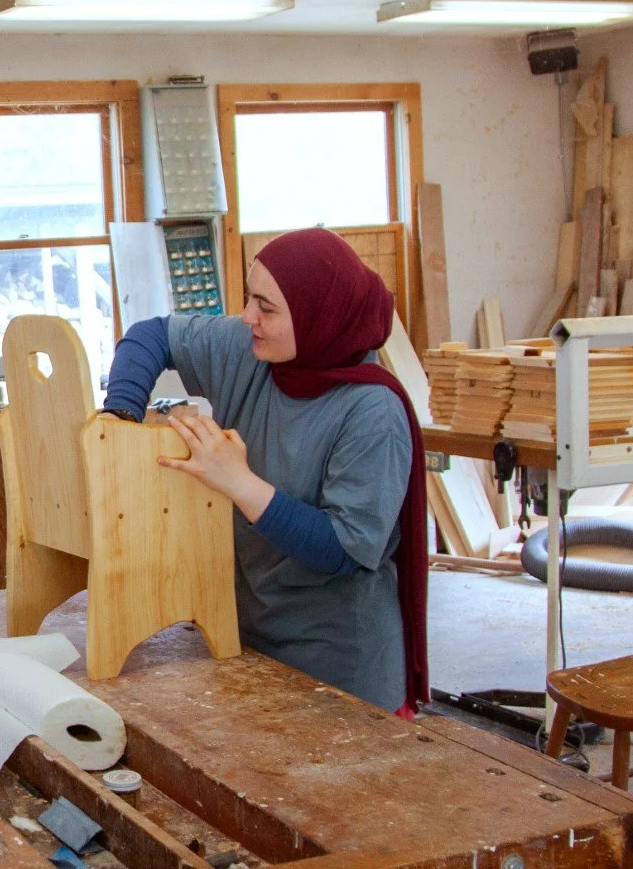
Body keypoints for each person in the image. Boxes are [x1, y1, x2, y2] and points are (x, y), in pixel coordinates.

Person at [103, 227, 427, 714]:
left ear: (320, 316)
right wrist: (120, 416)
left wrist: (239, 482)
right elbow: (151, 335)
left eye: (267, 308)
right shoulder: (252, 349)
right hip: (247, 640)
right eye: (250, 298)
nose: (248, 317)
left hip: (338, 671)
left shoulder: (372, 412)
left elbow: (343, 549)